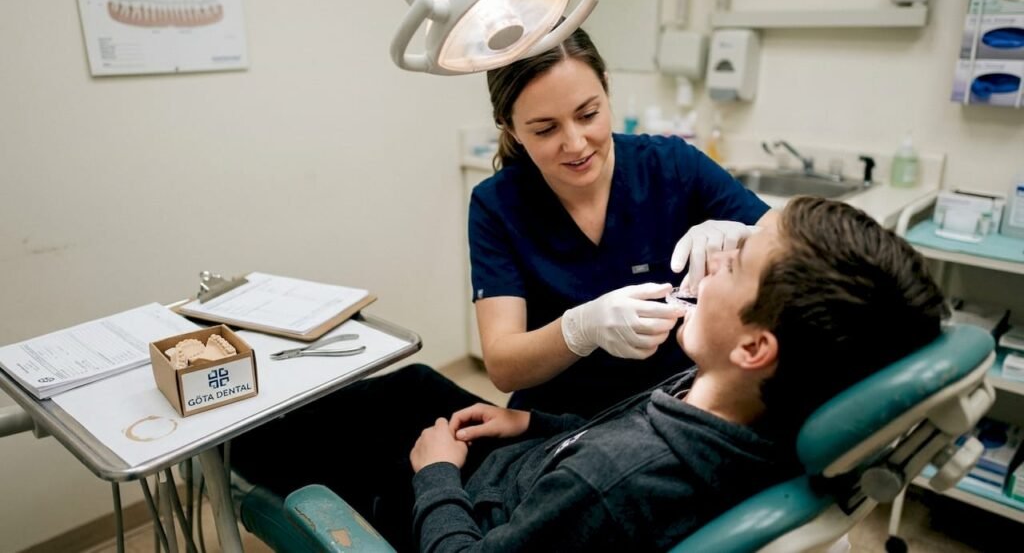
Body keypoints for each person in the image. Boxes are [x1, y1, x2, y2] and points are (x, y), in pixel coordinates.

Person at [232, 196, 948, 552]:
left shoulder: (611, 483)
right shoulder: (730, 408)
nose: (719, 253)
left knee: (271, 445)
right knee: (413, 382)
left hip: (467, 508)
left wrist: (435, 476)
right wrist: (533, 421)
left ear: (757, 348)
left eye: (742, 256)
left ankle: (227, 456)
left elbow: (590, 479)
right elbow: (604, 442)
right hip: (531, 459)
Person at [469, 25, 774, 417]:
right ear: (510, 127)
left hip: (668, 410)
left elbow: (798, 243)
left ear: (607, 90)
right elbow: (503, 365)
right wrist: (579, 329)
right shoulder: (497, 205)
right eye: (545, 129)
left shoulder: (671, 167)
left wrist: (748, 236)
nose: (576, 143)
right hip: (557, 422)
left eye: (588, 114)